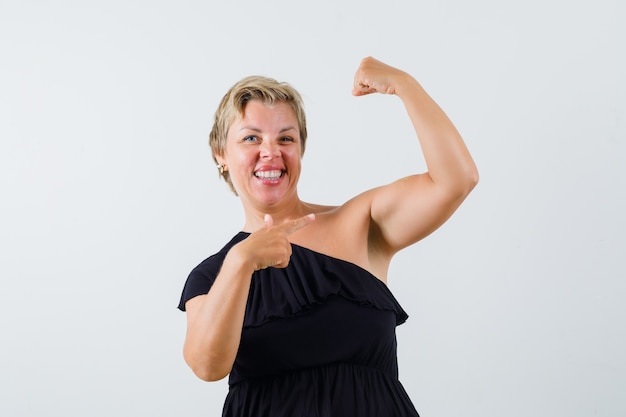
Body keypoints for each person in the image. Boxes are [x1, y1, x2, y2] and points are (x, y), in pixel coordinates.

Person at [178, 56, 478, 417]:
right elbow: (207, 367)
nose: (270, 151)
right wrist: (242, 262)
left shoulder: (358, 223)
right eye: (251, 137)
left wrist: (404, 84)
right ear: (221, 155)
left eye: (285, 138)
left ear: (300, 149)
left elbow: (456, 180)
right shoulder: (212, 275)